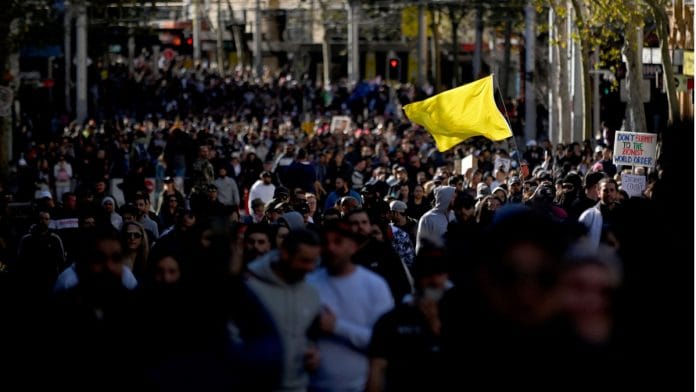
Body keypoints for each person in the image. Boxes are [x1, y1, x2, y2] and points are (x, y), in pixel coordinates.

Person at [307, 220, 394, 392]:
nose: (331, 248)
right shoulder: (308, 285)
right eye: (326, 243)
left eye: (338, 241)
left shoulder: (375, 285)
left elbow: (385, 343)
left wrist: (336, 327)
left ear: (353, 247)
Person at [245, 229, 322, 392]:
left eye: (314, 261)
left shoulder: (312, 292)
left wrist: (312, 351)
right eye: (304, 261)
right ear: (285, 254)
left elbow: (307, 335)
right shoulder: (248, 288)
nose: (310, 268)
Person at [367, 246, 451, 392]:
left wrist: (436, 328)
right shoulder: (391, 320)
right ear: (418, 276)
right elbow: (377, 370)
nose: (435, 280)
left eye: (440, 272)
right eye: (428, 273)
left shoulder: (464, 316)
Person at [415, 186, 456, 254]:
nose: (455, 199)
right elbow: (421, 247)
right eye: (453, 197)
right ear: (445, 198)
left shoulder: (454, 215)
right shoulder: (427, 218)